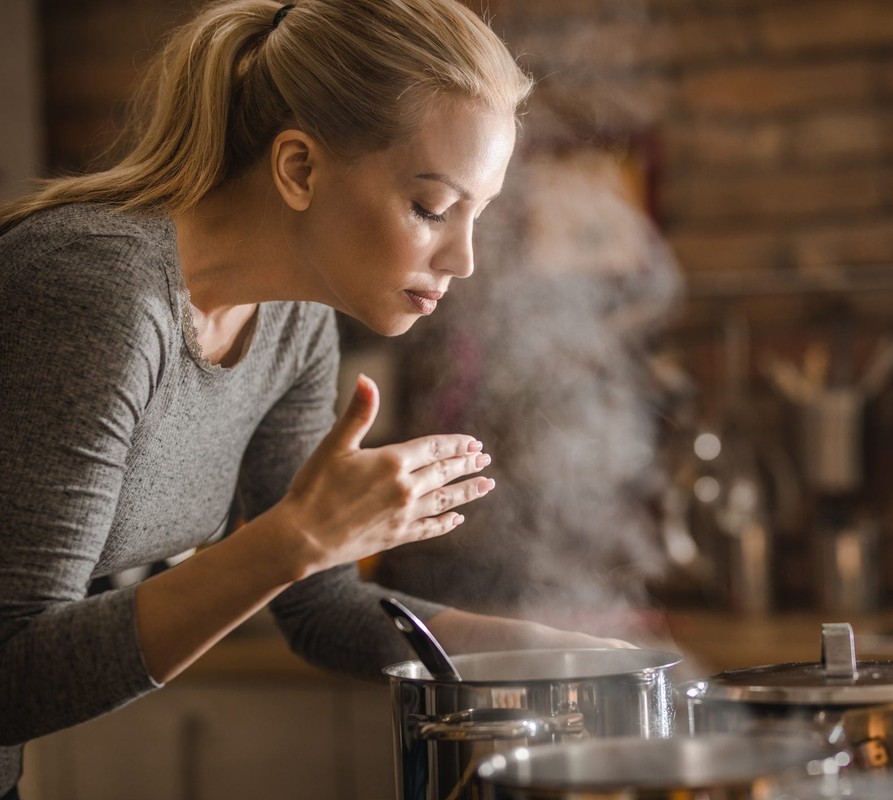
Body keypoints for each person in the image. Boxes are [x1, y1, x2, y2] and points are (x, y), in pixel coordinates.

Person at [0, 1, 628, 797]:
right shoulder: (97, 292)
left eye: (478, 215)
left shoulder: (294, 321)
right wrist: (295, 537)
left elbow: (318, 607)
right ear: (299, 168)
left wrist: (552, 654)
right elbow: (11, 671)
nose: (464, 259)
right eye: (432, 208)